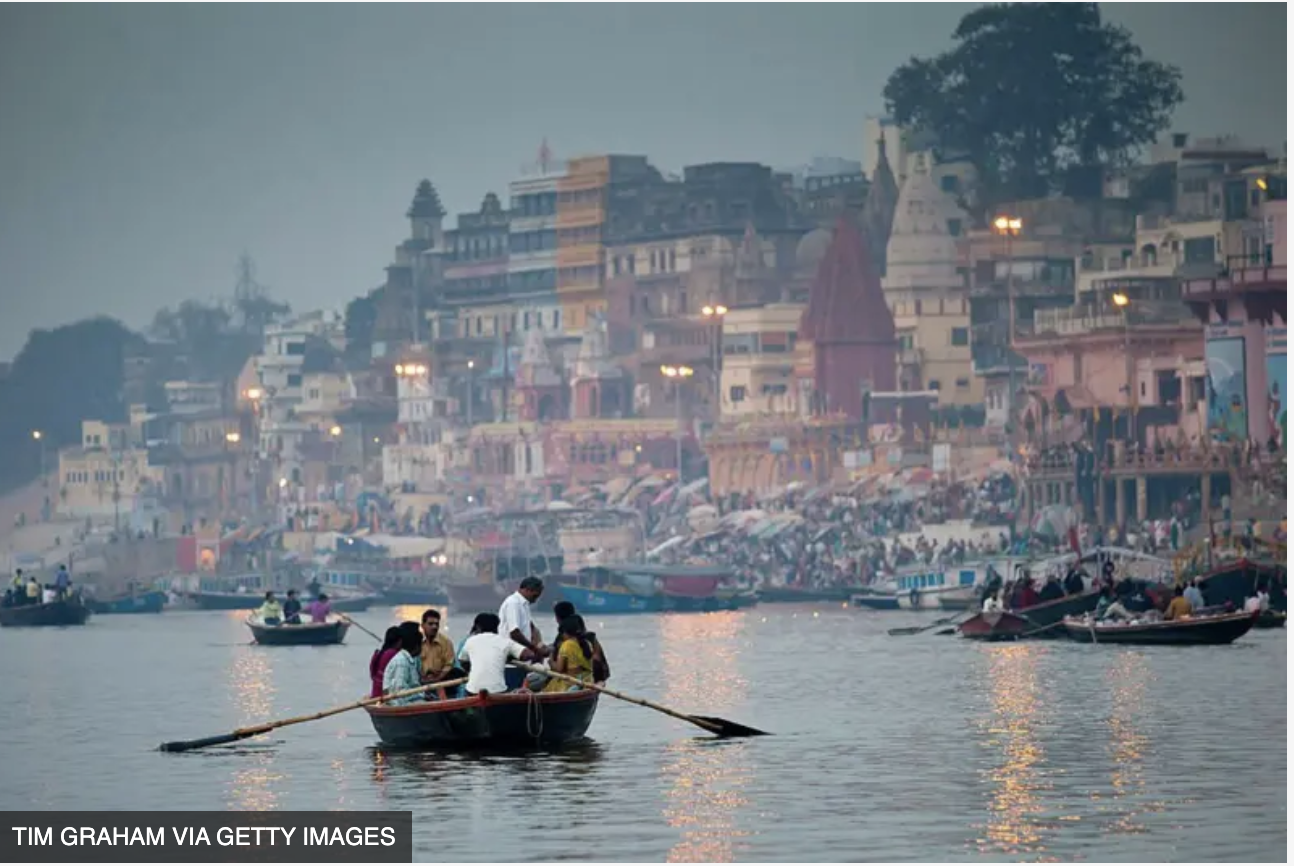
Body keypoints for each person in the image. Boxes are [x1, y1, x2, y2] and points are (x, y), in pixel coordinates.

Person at [457, 613, 545, 696]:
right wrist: (508, 657)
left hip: (473, 690)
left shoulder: (470, 641)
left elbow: (462, 661)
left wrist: (470, 671)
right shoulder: (505, 641)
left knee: (467, 689)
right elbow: (528, 655)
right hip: (497, 691)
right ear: (497, 627)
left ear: (478, 627)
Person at [544, 615, 596, 692]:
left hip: (571, 683)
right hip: (588, 681)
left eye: (562, 633)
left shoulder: (566, 645)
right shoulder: (588, 643)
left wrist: (551, 661)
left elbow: (559, 669)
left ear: (565, 632)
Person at [381, 622, 426, 705]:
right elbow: (400, 693)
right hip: (400, 704)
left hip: (411, 700)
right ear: (416, 646)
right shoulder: (401, 662)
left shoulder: (408, 660)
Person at [499, 577, 546, 655]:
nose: (535, 600)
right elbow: (514, 633)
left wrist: (539, 644)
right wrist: (533, 648)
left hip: (522, 650)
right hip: (511, 652)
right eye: (535, 596)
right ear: (527, 590)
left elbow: (531, 626)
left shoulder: (524, 604)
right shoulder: (513, 603)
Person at [419, 608, 456, 683]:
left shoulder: (446, 643)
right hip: (420, 682)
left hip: (440, 682)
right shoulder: (417, 643)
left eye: (436, 624)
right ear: (423, 625)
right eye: (430, 624)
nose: (434, 627)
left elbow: (449, 665)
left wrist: (437, 679)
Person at [370, 627, 403, 699]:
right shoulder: (393, 654)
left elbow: (373, 675)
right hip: (384, 696)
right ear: (400, 641)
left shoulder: (379, 653)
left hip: (375, 694)